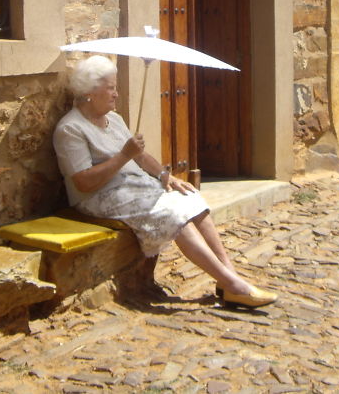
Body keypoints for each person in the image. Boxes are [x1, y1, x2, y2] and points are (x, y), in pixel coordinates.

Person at [53, 54, 277, 308]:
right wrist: (123, 155)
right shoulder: (70, 129)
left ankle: (228, 278)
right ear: (90, 92)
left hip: (132, 188)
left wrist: (165, 176)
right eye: (111, 88)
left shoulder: (113, 120)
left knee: (190, 198)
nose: (116, 94)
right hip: (100, 197)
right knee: (173, 214)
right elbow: (83, 183)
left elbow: (140, 157)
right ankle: (236, 286)